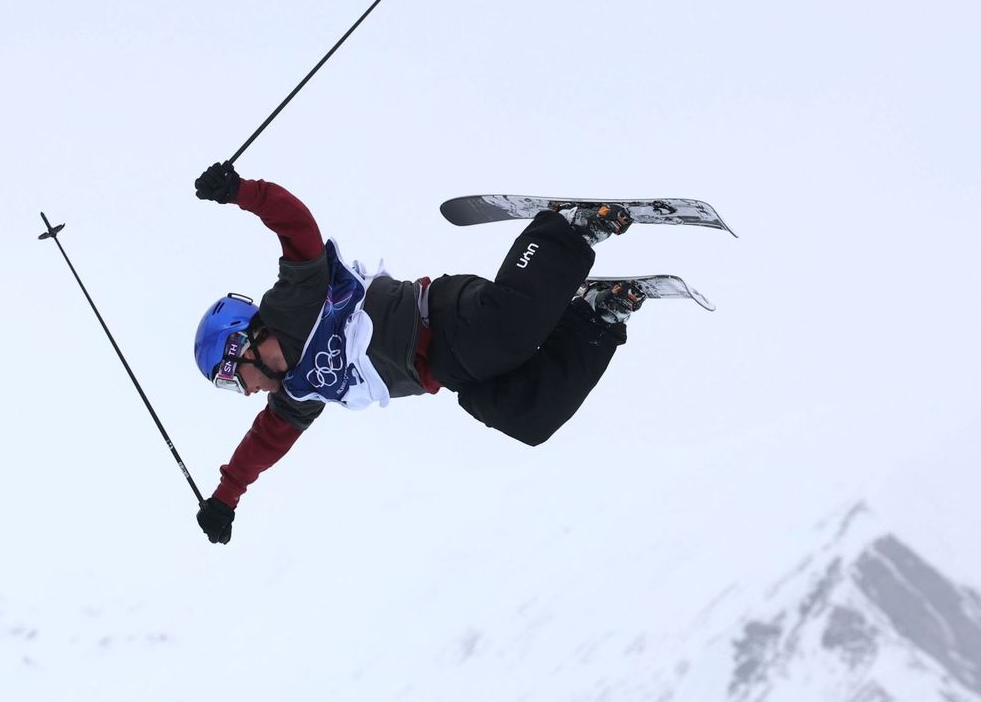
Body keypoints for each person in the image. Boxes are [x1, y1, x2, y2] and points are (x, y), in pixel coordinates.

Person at [191, 161, 646, 545]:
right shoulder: (295, 393)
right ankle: (596, 318)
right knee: (527, 416)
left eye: (232, 380)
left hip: (442, 319)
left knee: (506, 333)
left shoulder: (293, 302)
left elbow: (296, 225)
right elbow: (262, 444)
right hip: (448, 370)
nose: (245, 392)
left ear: (239, 347)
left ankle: (564, 230)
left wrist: (240, 192)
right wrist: (223, 500)